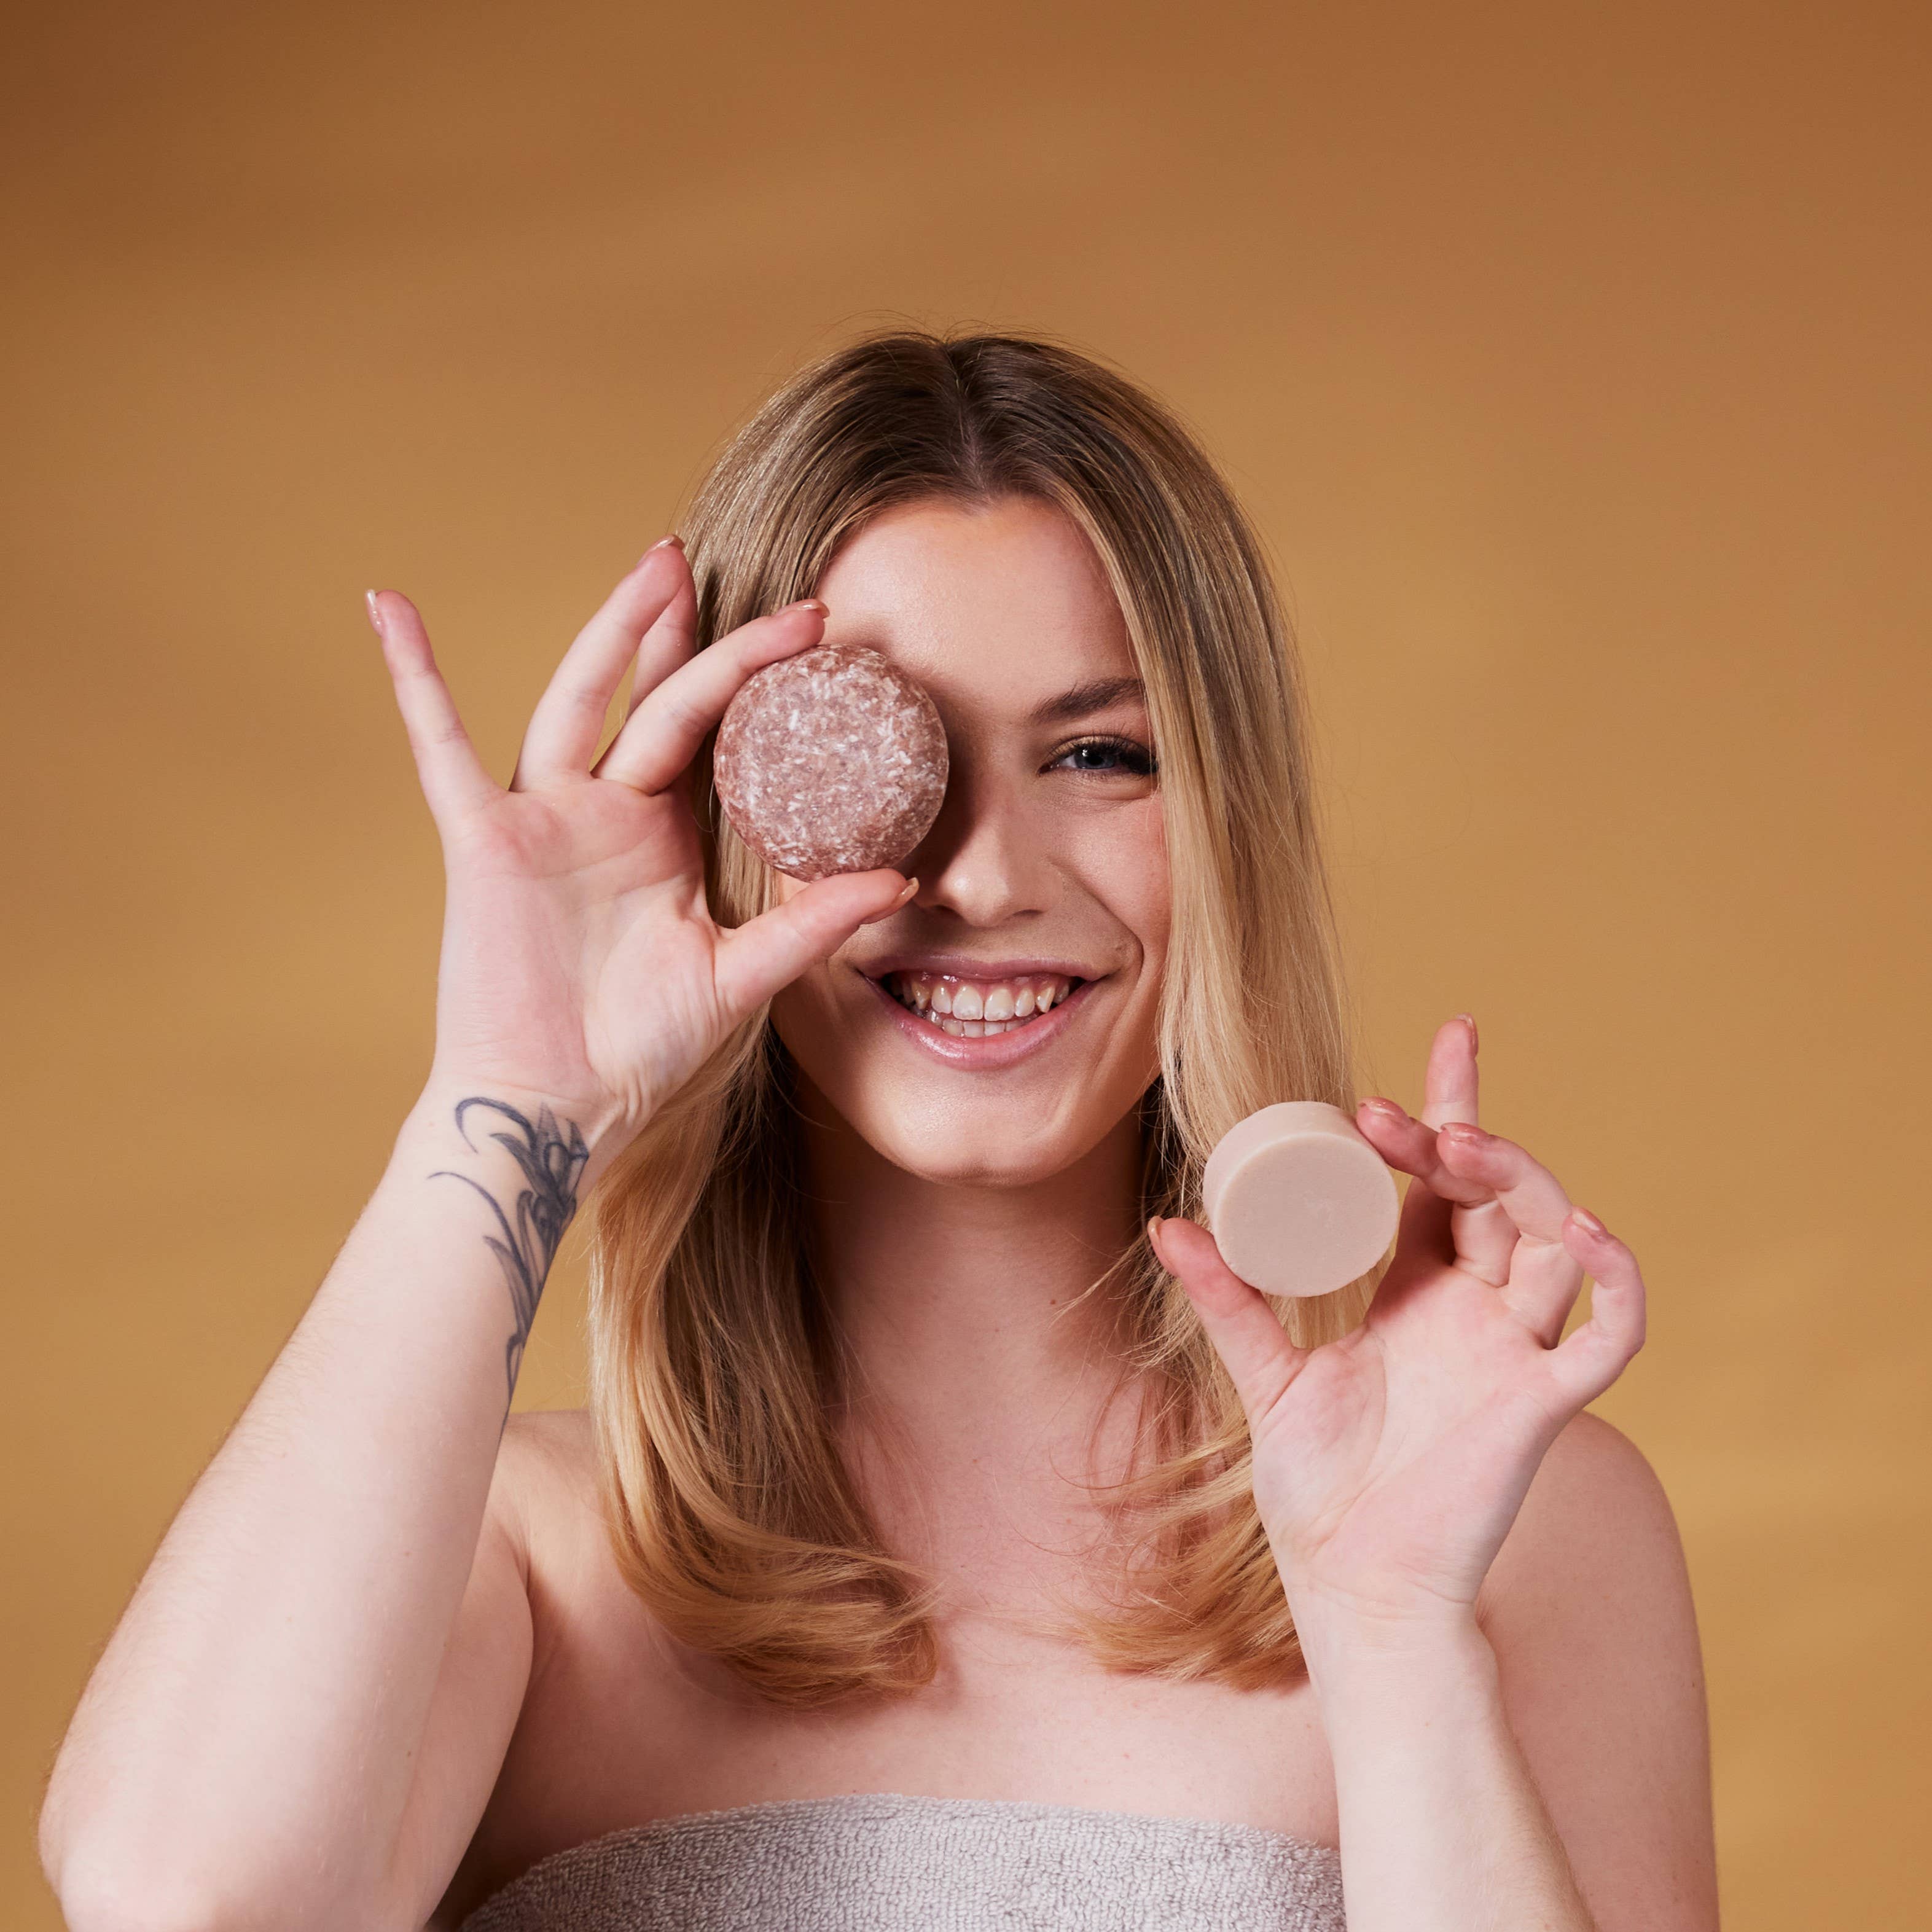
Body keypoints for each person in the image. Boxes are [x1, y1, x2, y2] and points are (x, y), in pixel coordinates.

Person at [38, 332, 1718, 1931]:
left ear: (1225, 817)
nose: (983, 877)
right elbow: (182, 1902)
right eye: (891, 753)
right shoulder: (515, 1562)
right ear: (718, 816)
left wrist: (1389, 1627)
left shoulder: (1516, 1525)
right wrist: (505, 1101)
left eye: (1098, 751)